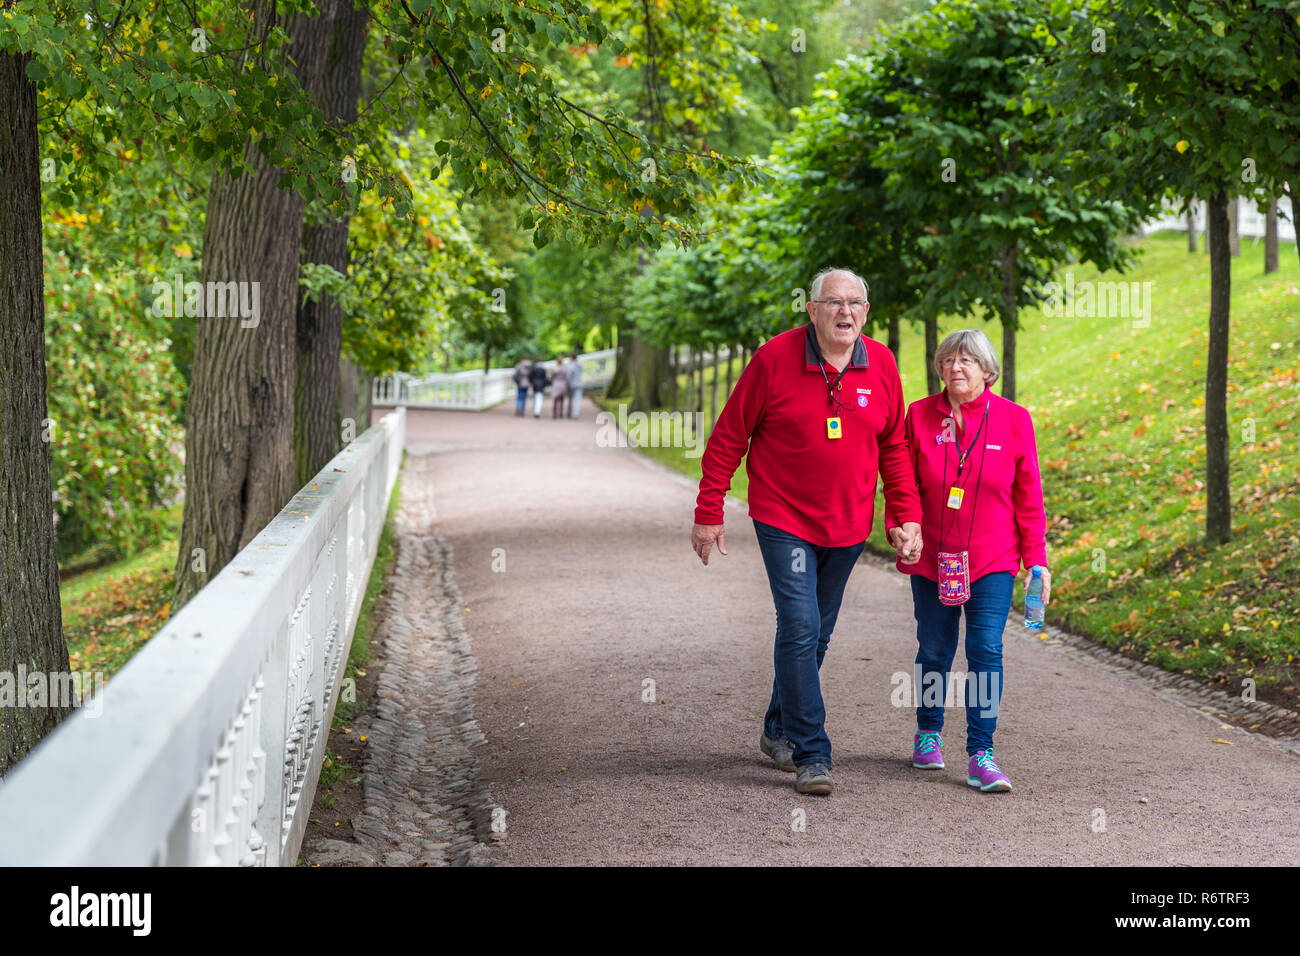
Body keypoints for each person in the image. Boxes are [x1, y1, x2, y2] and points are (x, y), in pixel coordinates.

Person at [691, 267, 922, 796]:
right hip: (783, 517)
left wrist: (903, 515)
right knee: (799, 626)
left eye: (856, 303)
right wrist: (710, 511)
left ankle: (778, 727)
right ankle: (812, 753)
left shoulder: (881, 363)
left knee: (815, 634)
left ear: (866, 312)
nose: (845, 312)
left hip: (847, 525)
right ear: (811, 309)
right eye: (834, 302)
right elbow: (730, 436)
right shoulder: (774, 358)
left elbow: (894, 447)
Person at [884, 328, 1049, 793]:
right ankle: (928, 733)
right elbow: (900, 484)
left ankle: (981, 753)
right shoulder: (918, 416)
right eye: (949, 360)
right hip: (933, 554)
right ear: (939, 368)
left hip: (994, 558)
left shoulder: (1015, 420)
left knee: (986, 650)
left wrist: (1036, 560)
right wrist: (900, 527)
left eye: (967, 360)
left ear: (987, 370)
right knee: (935, 648)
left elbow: (1028, 496)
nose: (956, 367)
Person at [567, 351, 583, 419]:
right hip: (579, 383)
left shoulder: (571, 365)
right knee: (578, 400)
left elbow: (569, 375)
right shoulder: (580, 364)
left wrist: (568, 383)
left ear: (571, 357)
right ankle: (576, 414)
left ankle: (570, 413)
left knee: (570, 400)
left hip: (572, 384)